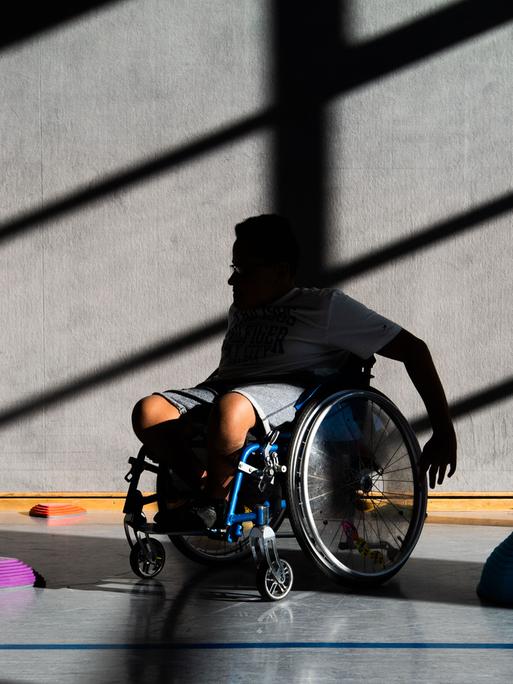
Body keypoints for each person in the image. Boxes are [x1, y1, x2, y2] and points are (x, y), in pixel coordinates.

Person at [132, 214, 457, 530]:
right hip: (224, 388)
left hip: (291, 392)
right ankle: (210, 490)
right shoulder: (241, 309)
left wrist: (443, 431)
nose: (233, 279)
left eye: (244, 270)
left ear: (281, 271)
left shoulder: (325, 307)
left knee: (232, 406)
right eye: (234, 268)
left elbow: (415, 350)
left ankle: (215, 502)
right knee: (148, 411)